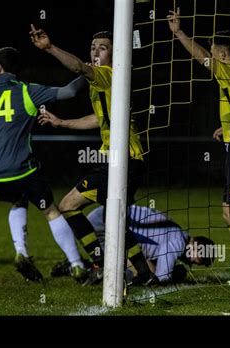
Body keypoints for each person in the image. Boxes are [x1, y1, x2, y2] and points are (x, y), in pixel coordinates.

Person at [30, 26, 157, 286]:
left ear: (114, 53)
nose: (96, 51)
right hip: (119, 160)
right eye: (93, 47)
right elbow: (99, 119)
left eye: (103, 47)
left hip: (123, 159)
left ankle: (100, 263)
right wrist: (62, 123)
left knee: (71, 206)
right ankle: (141, 273)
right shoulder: (105, 81)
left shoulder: (109, 74)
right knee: (108, 216)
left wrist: (49, 48)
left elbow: (77, 67)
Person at [0, 47, 90, 283]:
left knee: (18, 200)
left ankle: (21, 253)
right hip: (21, 169)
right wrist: (88, 72)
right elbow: (70, 91)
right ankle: (77, 265)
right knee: (50, 211)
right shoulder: (27, 91)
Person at [167, 8, 230, 287]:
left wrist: (180, 33)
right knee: (227, 212)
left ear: (222, 55)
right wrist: (228, 128)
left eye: (214, 53)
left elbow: (202, 58)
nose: (211, 59)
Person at [52, 205, 216, 285]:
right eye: (199, 257)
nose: (194, 262)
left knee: (134, 266)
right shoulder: (179, 241)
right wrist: (175, 276)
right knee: (138, 277)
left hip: (103, 219)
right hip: (104, 226)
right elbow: (161, 277)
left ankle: (81, 265)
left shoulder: (176, 232)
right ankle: (81, 268)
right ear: (195, 244)